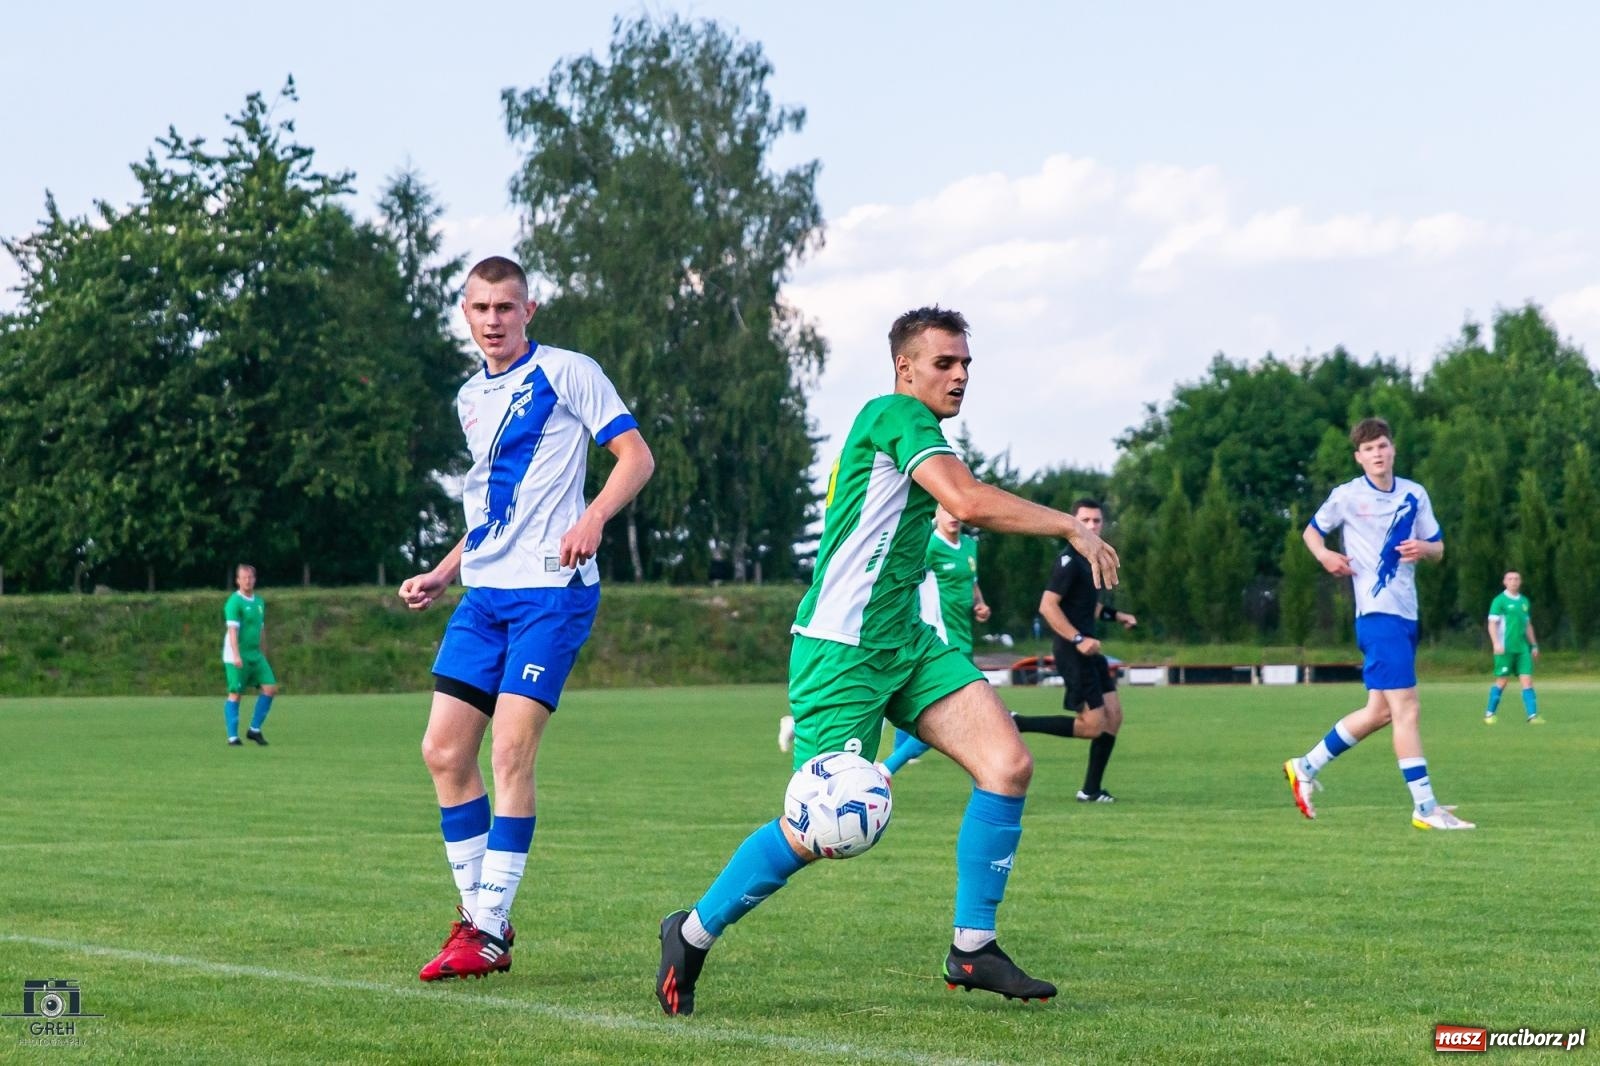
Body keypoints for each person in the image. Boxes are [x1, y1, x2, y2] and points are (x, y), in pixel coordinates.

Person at [655, 305, 1119, 1016]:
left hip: (904, 641)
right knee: (817, 828)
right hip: (840, 652)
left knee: (1008, 765)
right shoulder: (895, 416)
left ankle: (971, 947)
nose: (960, 375)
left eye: (966, 364)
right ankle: (690, 932)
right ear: (906, 367)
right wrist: (1068, 526)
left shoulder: (915, 429)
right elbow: (965, 499)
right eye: (945, 363)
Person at [397, 256, 655, 981]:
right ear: (465, 312)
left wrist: (597, 516)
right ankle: (487, 924)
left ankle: (482, 929)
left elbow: (636, 457)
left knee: (509, 752)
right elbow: (490, 507)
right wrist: (444, 573)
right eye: (480, 308)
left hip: (553, 592)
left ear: (529, 310)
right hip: (483, 596)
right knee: (444, 753)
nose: (492, 320)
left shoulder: (569, 372)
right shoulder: (469, 398)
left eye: (505, 308)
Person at [1282, 417, 1473, 830]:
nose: (1377, 454)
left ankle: (1305, 766)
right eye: (1369, 449)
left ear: (1393, 449)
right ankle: (1425, 809)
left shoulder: (1414, 493)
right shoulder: (1347, 496)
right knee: (1407, 709)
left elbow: (1439, 548)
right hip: (1376, 613)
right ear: (1359, 457)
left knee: (1379, 712)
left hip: (1406, 614)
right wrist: (1326, 556)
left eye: (1382, 446)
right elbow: (1312, 533)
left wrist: (1424, 547)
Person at [1012, 499, 1137, 802]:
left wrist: (1116, 616)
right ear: (1074, 522)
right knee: (1093, 726)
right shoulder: (1068, 561)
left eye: (1097, 521)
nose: (1092, 526)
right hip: (1073, 651)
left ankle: (1091, 790)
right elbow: (1048, 606)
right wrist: (1078, 639)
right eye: (1086, 521)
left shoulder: (1090, 559)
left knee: (1114, 716)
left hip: (1090, 651)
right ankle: (1018, 723)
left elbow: (1086, 606)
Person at [877, 503, 990, 776]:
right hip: (939, 639)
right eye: (946, 510)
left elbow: (972, 582)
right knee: (951, 716)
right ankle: (889, 767)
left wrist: (980, 604)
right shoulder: (928, 545)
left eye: (956, 510)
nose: (952, 516)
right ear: (935, 514)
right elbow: (900, 578)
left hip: (962, 636)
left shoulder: (969, 545)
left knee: (921, 707)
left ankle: (893, 759)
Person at [221, 563, 277, 746]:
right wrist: (236, 655)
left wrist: (264, 653)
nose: (248, 581)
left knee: (270, 688)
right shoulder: (234, 602)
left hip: (255, 655)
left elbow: (261, 630)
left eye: (251, 577)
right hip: (237, 654)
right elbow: (232, 631)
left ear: (255, 579)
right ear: (238, 580)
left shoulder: (259, 602)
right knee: (236, 693)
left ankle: (254, 730)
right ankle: (232, 737)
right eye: (244, 577)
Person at [1485, 571, 1544, 725]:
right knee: (1502, 681)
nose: (1514, 581)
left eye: (1517, 579)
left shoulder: (1524, 601)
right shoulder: (1499, 601)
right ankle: (1489, 714)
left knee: (1527, 681)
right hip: (1505, 648)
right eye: (1510, 579)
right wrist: (1496, 643)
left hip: (1522, 649)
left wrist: (1534, 645)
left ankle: (1532, 716)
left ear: (1520, 581)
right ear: (1505, 582)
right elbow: (1492, 624)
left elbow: (1527, 625)